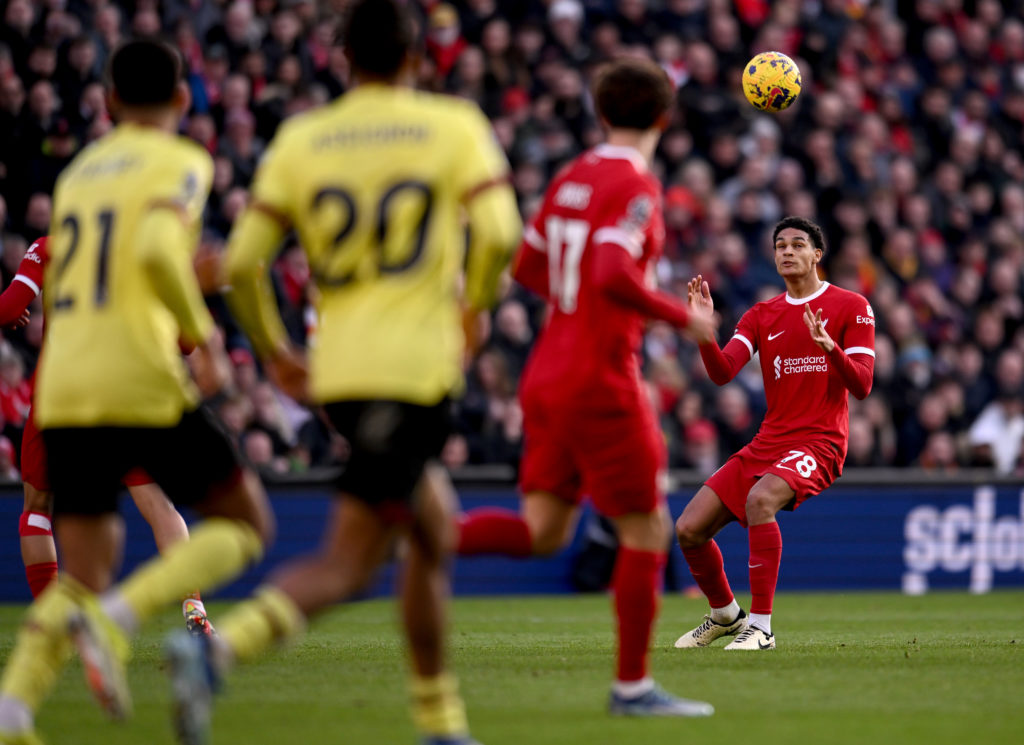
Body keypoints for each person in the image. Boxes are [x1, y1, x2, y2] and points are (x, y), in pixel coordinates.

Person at [164, 2, 521, 744]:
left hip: (340, 372)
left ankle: (440, 719)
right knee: (351, 561)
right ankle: (219, 652)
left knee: (433, 532)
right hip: (413, 373)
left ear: (340, 58)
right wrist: (477, 307)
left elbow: (245, 262)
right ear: (417, 58)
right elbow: (499, 232)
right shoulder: (453, 126)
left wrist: (274, 352)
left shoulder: (303, 138)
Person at [0, 38, 274, 745]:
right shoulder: (182, 161)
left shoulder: (80, 175)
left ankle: (14, 708)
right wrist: (203, 333)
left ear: (111, 103)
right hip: (137, 373)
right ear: (183, 100)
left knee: (82, 564)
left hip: (65, 383)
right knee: (246, 519)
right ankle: (129, 618)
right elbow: (157, 251)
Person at [455, 58, 715, 717]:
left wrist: (573, 310)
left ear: (601, 113)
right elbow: (607, 270)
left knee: (544, 530)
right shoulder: (636, 184)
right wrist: (682, 316)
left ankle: (423, 534)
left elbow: (527, 265)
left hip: (546, 372)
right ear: (663, 117)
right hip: (600, 377)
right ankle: (632, 688)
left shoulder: (572, 174)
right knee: (648, 527)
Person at [672, 216, 875, 651]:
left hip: (820, 442)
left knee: (761, 500)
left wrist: (830, 348)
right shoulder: (763, 314)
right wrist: (705, 332)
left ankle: (761, 627)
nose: (786, 251)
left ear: (816, 255)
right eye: (780, 245)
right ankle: (725, 614)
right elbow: (724, 372)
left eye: (797, 244)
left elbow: (862, 384)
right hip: (768, 442)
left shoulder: (851, 306)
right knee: (689, 529)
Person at [0, 236, 214, 635]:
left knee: (37, 509)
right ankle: (194, 610)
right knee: (159, 505)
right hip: (124, 395)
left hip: (60, 396)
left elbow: (9, 307)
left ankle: (55, 628)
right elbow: (186, 342)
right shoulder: (144, 250)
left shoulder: (50, 246)